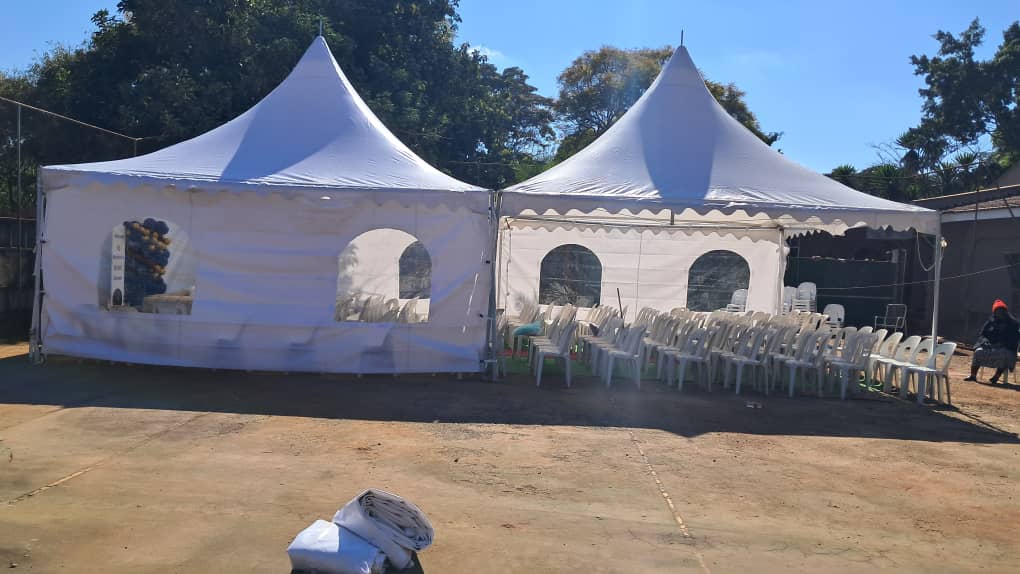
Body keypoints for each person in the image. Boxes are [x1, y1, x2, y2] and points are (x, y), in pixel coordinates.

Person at [964, 299, 1020, 384]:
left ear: (1005, 311)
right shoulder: (991, 322)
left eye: (1001, 311)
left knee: (1004, 354)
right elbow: (983, 335)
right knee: (978, 352)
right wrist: (985, 343)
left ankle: (996, 377)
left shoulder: (1013, 323)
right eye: (997, 311)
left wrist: (1003, 344)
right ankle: (973, 376)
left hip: (1005, 347)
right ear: (994, 312)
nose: (999, 313)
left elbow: (1015, 338)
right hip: (990, 346)